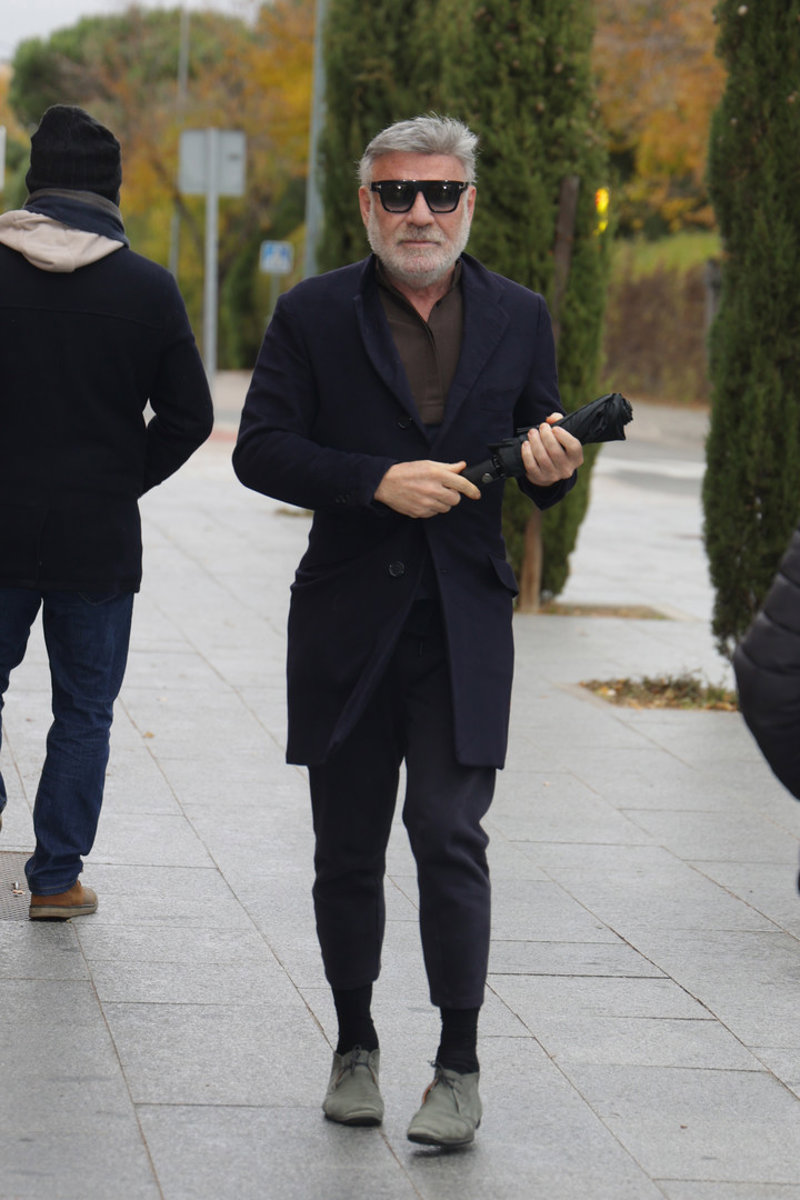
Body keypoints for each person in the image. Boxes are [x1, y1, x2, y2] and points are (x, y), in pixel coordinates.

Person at [233, 114, 583, 1147]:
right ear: (366, 204)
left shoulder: (519, 315)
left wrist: (554, 470)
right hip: (345, 623)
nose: (418, 212)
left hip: (461, 623)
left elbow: (540, 444)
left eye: (439, 193)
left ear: (468, 202)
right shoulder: (310, 313)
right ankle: (354, 1045)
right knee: (345, 847)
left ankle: (457, 1067)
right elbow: (260, 449)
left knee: (446, 831)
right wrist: (374, 479)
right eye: (396, 193)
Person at [0, 105, 213, 919]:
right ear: (111, 190)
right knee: (83, 710)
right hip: (97, 539)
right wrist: (122, 480)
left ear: (35, 183)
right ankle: (56, 879)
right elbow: (190, 416)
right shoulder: (147, 288)